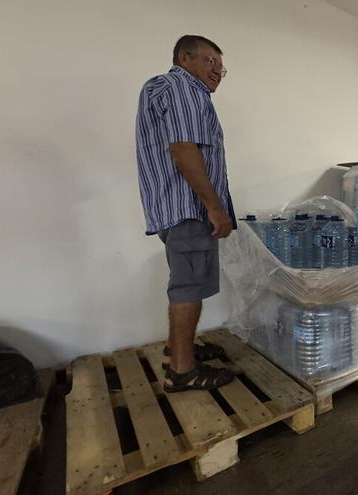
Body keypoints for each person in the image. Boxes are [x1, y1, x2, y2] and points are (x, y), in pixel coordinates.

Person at [136, 35, 237, 393]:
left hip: (176, 206)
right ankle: (182, 371)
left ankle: (176, 350)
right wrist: (214, 206)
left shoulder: (167, 90)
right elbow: (183, 149)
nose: (218, 71)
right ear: (184, 57)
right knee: (188, 286)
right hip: (188, 207)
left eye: (221, 66)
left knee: (186, 282)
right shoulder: (182, 87)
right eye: (211, 61)